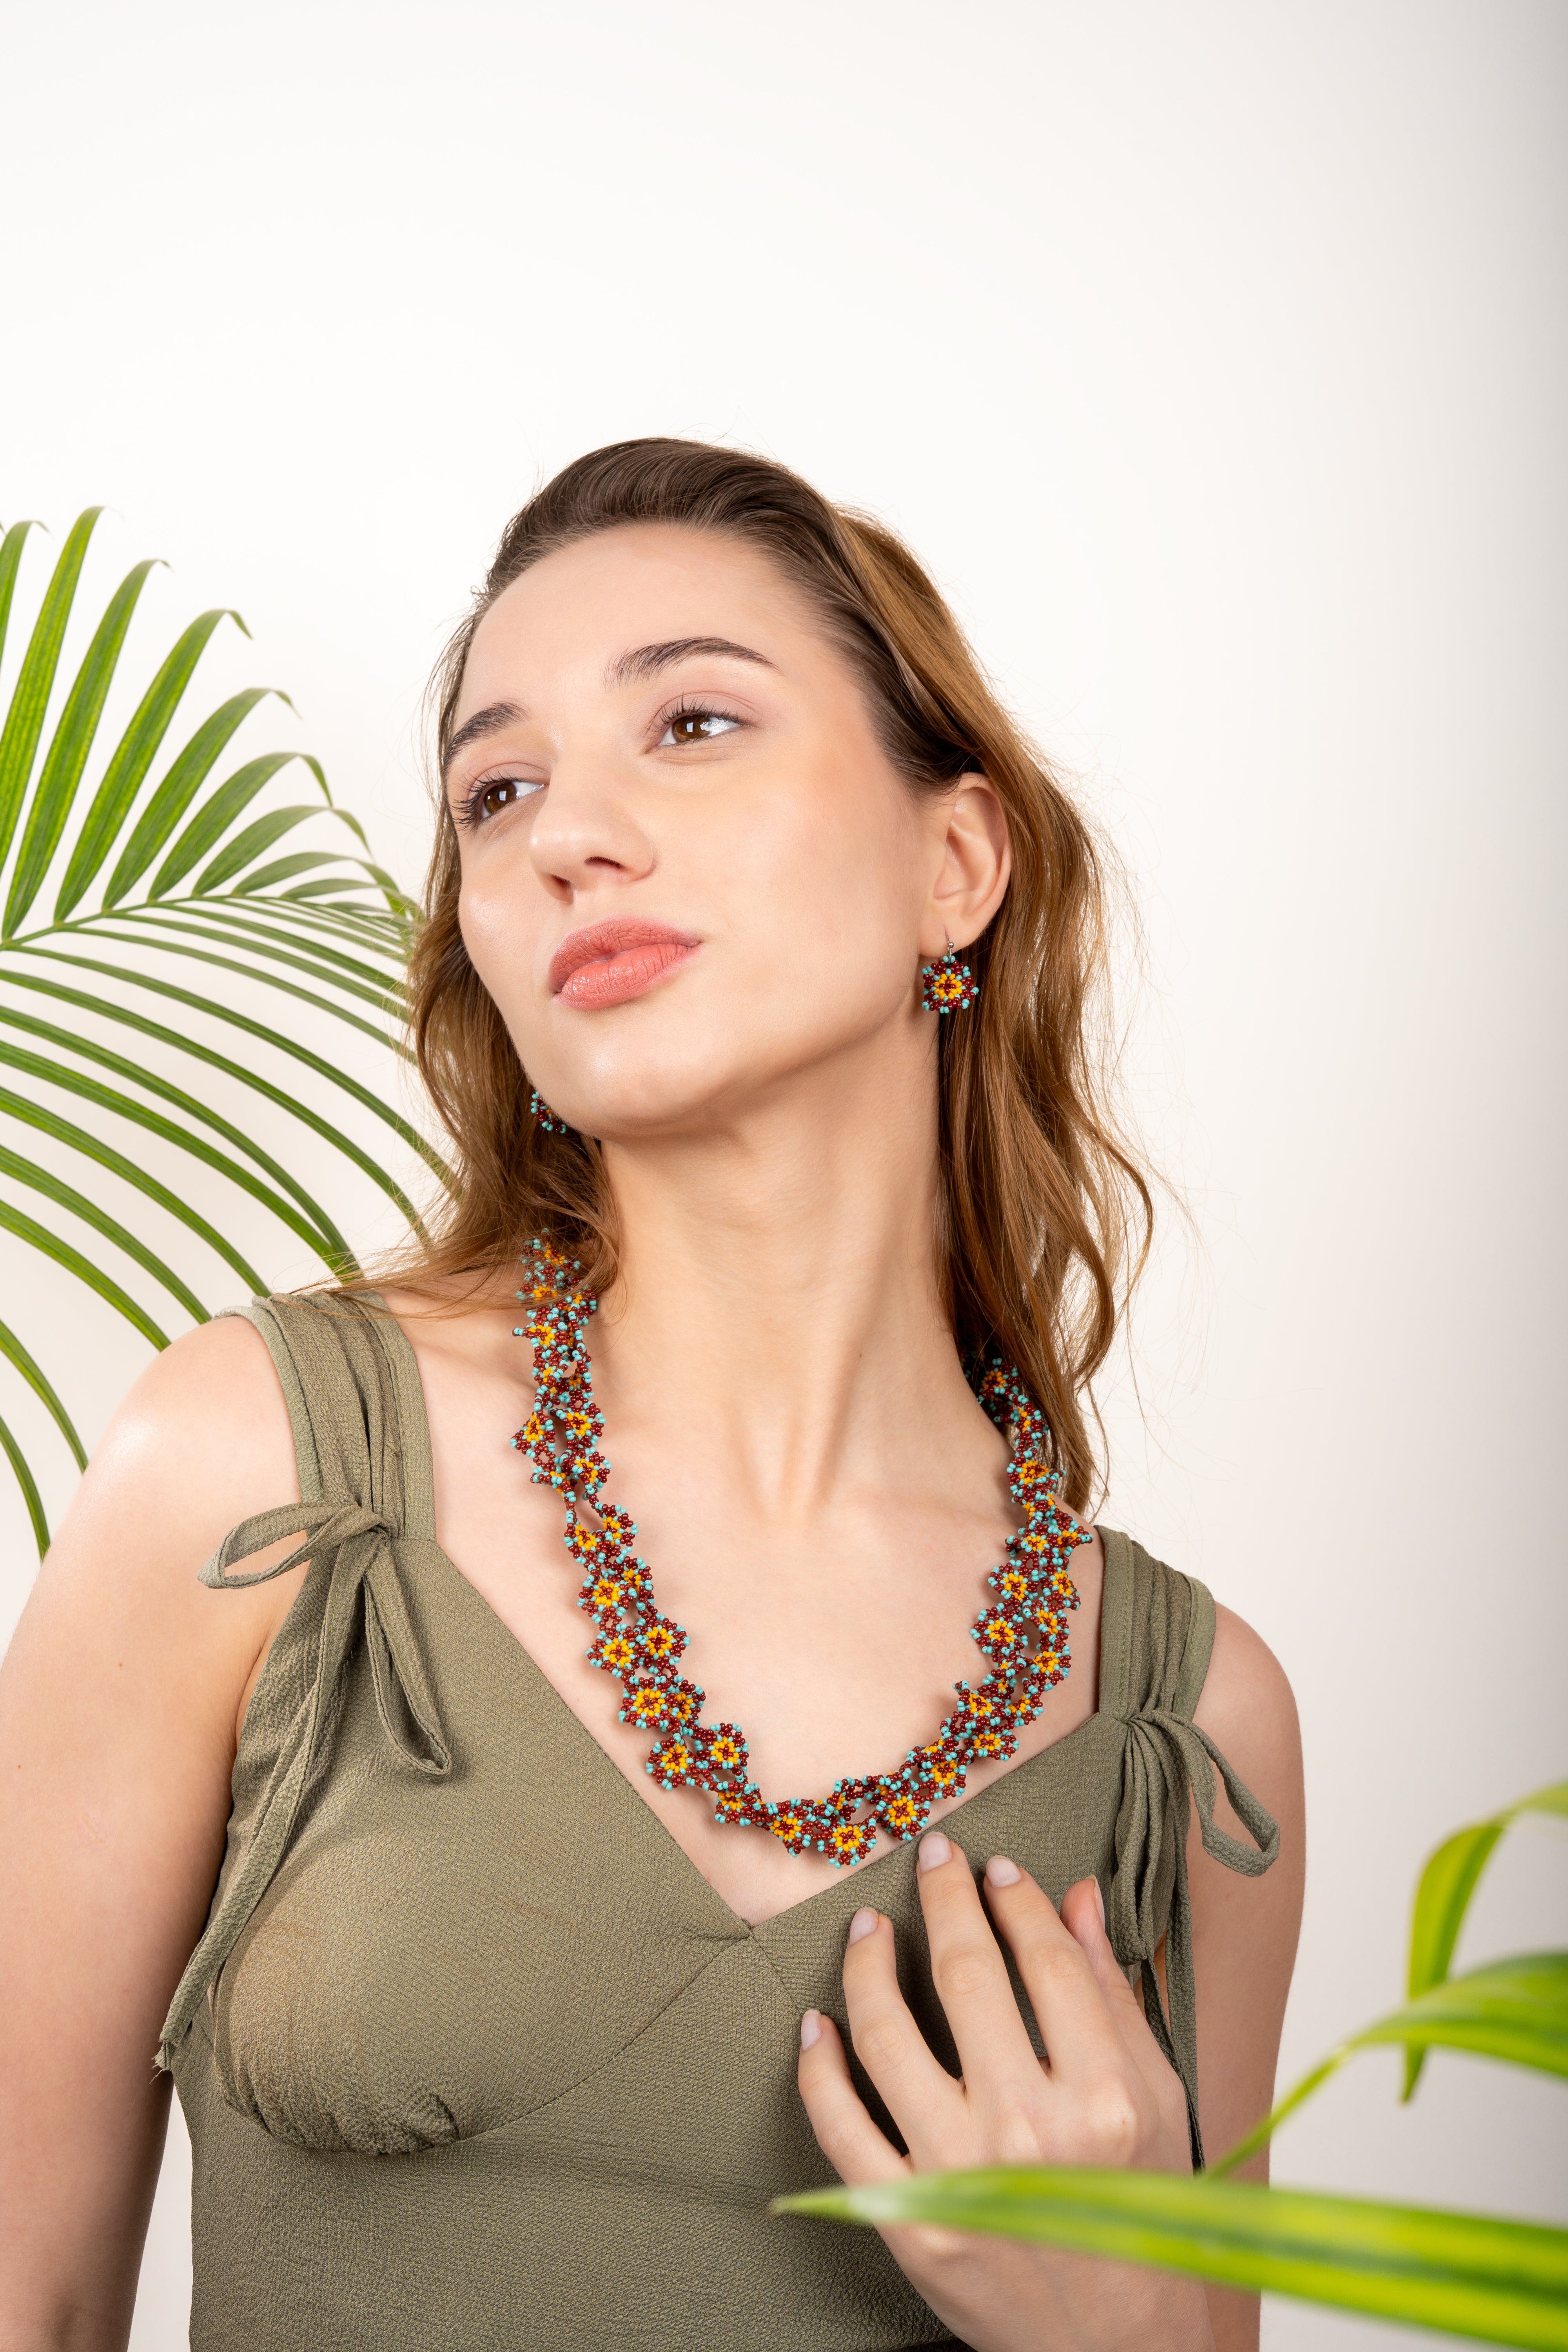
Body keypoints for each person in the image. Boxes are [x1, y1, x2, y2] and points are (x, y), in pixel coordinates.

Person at [0, 439, 1304, 2352]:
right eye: (497, 790)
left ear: (955, 862)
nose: (565, 836)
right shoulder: (257, 1473)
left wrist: (1120, 2325)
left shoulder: (1190, 1721)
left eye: (690, 724)